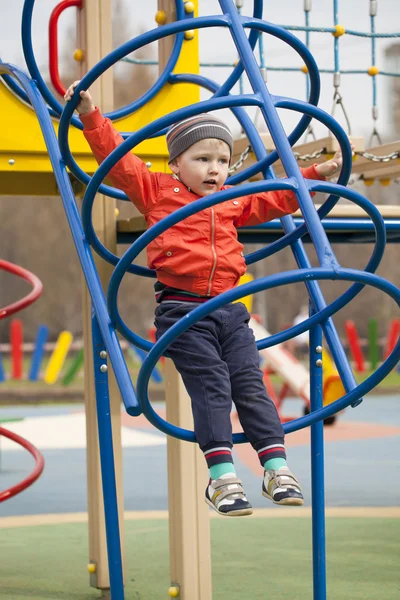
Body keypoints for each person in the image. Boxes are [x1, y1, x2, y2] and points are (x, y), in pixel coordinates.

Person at [65, 81, 347, 517]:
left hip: (231, 311)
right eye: (203, 159)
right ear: (176, 164)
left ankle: (275, 466)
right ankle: (221, 479)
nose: (216, 169)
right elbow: (117, 160)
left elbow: (275, 198)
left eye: (222, 161)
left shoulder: (229, 201)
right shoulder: (156, 190)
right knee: (213, 386)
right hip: (182, 311)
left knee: (251, 385)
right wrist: (89, 113)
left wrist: (316, 175)